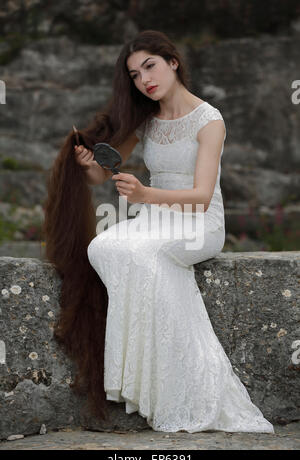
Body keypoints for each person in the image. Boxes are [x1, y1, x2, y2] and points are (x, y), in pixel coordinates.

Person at [43, 30, 274, 433]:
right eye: (134, 75)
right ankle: (142, 379)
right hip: (155, 217)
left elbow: (202, 196)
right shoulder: (145, 119)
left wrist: (145, 193)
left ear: (172, 62)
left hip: (199, 221)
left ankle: (179, 381)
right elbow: (103, 173)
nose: (143, 79)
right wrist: (86, 162)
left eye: (149, 66)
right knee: (104, 248)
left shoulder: (209, 120)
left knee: (142, 255)